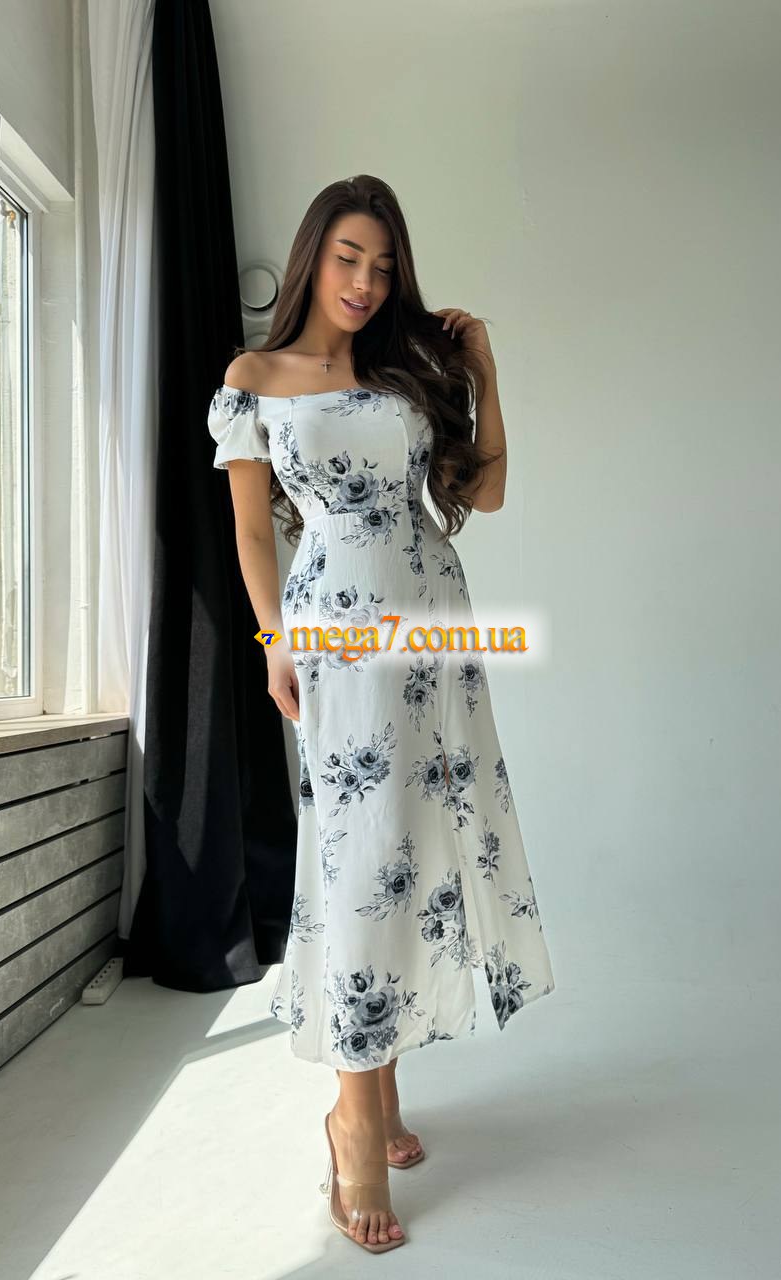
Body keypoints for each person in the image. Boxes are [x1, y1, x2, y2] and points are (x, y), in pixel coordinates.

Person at [207, 174, 555, 1253]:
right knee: (358, 858)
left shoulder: (406, 371)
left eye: (384, 265)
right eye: (348, 258)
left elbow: (483, 493)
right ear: (314, 256)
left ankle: (383, 1084)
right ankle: (352, 1117)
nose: (364, 281)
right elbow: (254, 532)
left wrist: (483, 372)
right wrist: (274, 642)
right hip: (339, 635)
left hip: (431, 627)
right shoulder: (254, 380)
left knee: (407, 851)